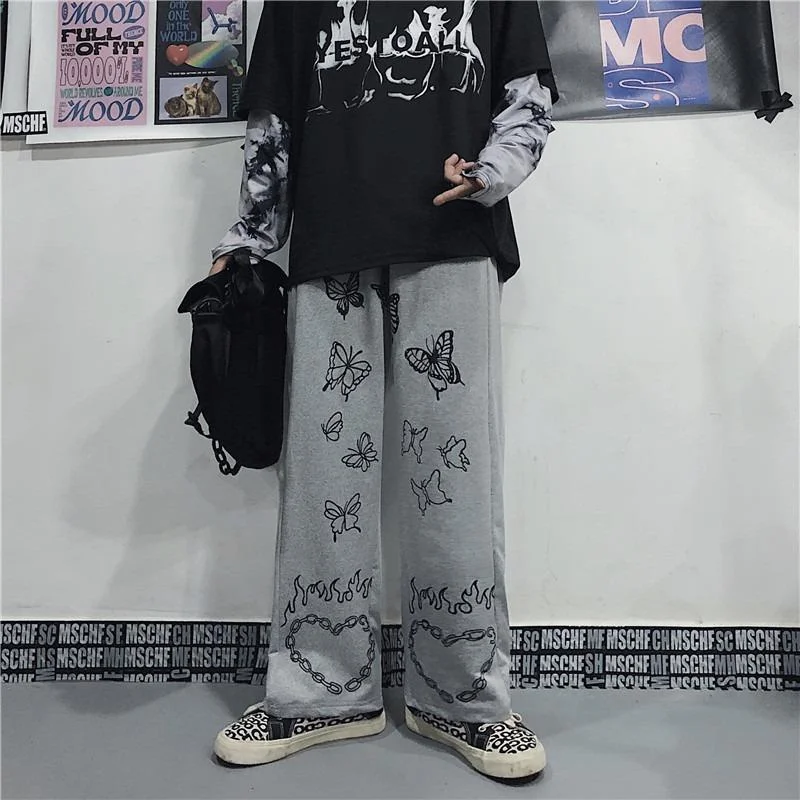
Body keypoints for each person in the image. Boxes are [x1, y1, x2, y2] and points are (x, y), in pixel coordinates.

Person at [208, 0, 557, 781]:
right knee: (321, 478)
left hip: (453, 242)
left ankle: (465, 700)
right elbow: (273, 120)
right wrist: (251, 236)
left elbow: (527, 95)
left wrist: (491, 173)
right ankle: (320, 693)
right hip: (332, 239)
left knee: (456, 479)